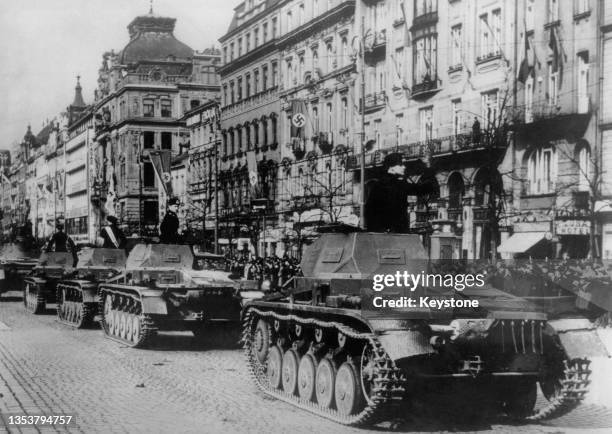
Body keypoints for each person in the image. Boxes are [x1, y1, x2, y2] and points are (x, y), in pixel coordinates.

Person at [365, 153, 435, 233]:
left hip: (385, 233)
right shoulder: (398, 184)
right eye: (400, 164)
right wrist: (428, 167)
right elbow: (423, 189)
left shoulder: (379, 184)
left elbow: (369, 210)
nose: (404, 167)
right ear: (391, 168)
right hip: (396, 233)